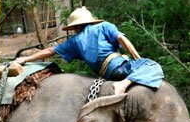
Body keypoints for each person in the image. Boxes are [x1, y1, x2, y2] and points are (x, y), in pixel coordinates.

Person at [13, 7, 163, 95]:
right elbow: (122, 39)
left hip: (106, 73)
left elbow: (50, 51)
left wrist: (24, 59)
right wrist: (138, 59)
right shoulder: (104, 26)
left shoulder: (74, 41)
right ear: (90, 20)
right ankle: (123, 84)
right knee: (152, 66)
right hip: (118, 67)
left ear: (75, 26)